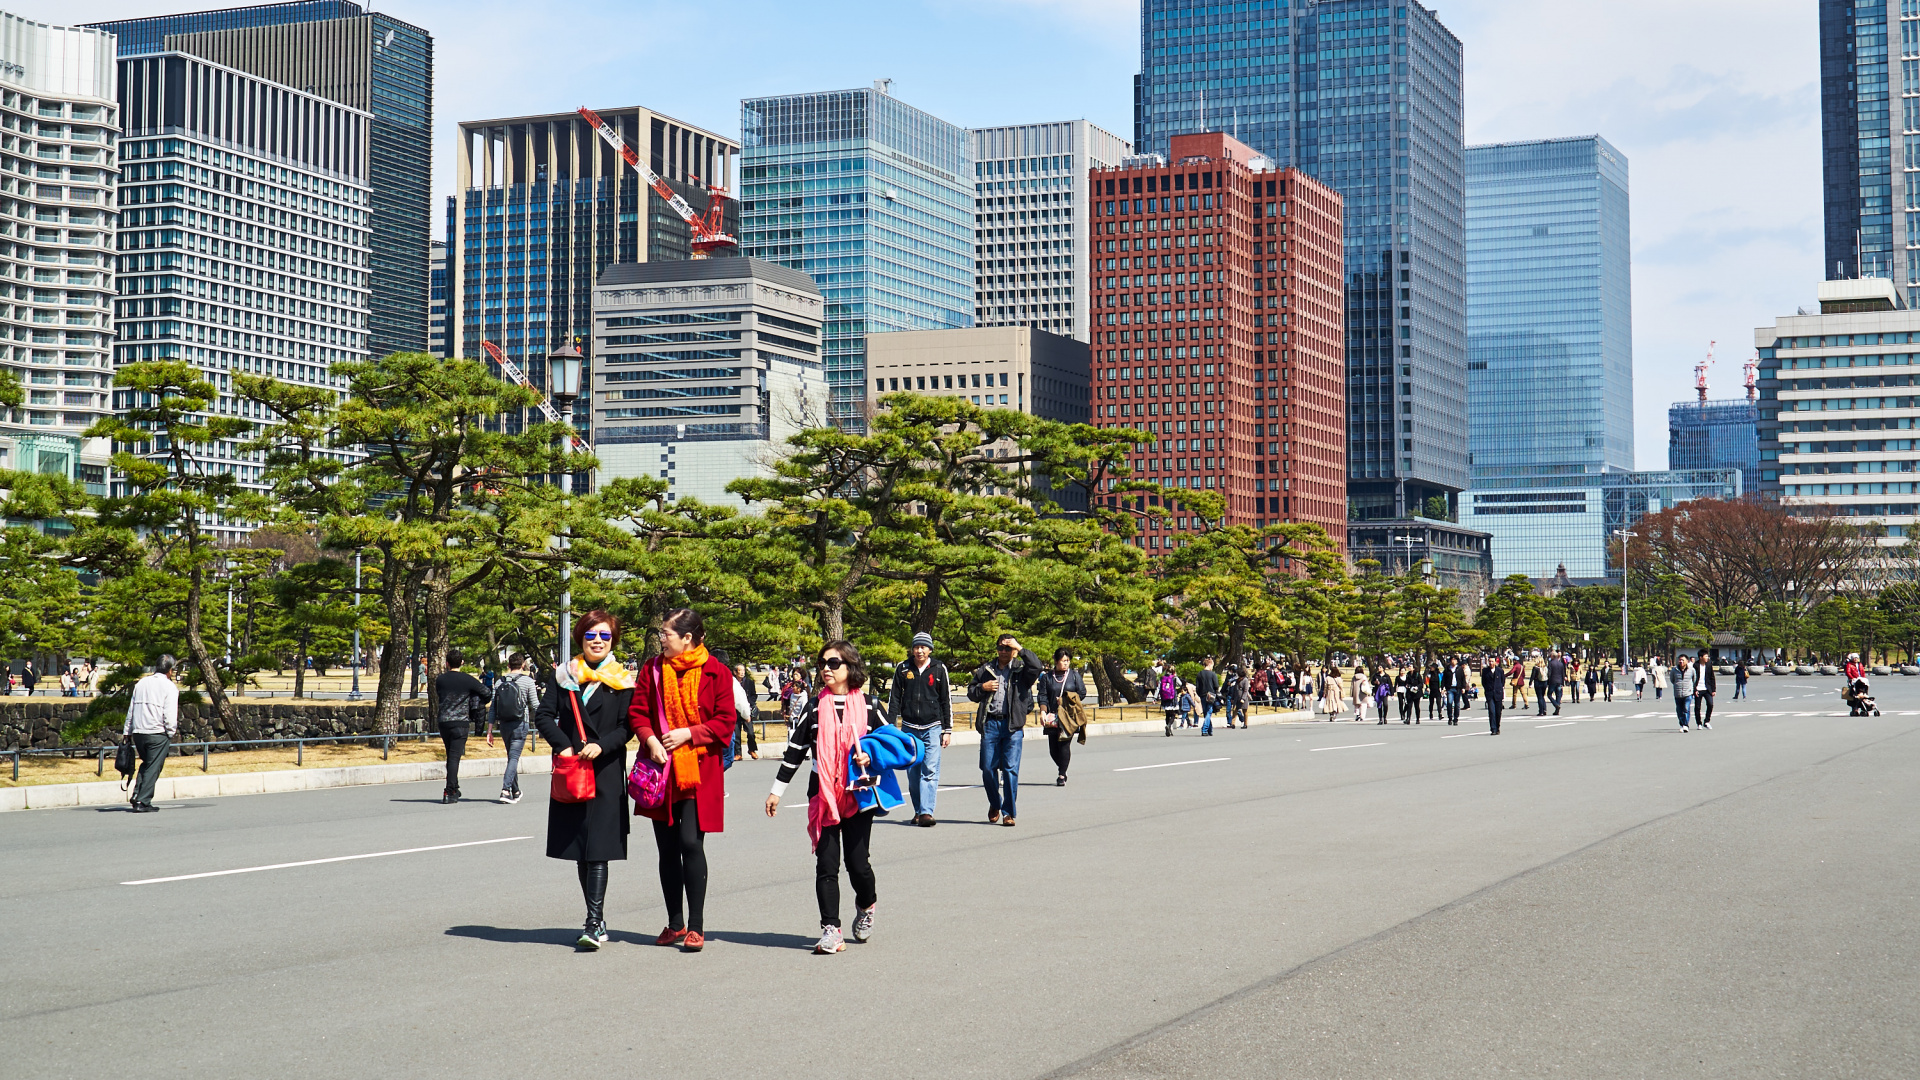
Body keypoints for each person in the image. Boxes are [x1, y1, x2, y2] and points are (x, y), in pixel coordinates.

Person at [766, 640, 890, 955]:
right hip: (822, 794)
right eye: (823, 663)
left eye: (834, 663)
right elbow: (794, 751)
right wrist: (776, 791)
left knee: (858, 864)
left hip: (859, 794)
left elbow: (892, 745)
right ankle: (831, 930)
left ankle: (866, 904)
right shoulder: (813, 706)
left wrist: (870, 755)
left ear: (850, 666)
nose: (826, 669)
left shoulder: (871, 706)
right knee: (827, 864)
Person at [628, 609, 736, 954]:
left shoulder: (716, 672)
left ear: (687, 637)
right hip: (661, 770)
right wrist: (650, 739)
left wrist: (689, 733)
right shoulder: (652, 669)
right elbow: (638, 712)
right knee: (666, 848)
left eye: (667, 634)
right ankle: (675, 923)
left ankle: (697, 925)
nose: (662, 639)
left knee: (690, 842)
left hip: (698, 770)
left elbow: (725, 722)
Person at [534, 611, 635, 950]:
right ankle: (597, 917)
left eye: (605, 636)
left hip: (605, 772)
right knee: (582, 849)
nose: (597, 641)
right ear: (580, 637)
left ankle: (593, 922)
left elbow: (627, 727)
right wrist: (563, 746)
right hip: (573, 769)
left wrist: (601, 745)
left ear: (613, 641)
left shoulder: (622, 680)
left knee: (598, 851)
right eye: (591, 634)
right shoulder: (564, 676)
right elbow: (544, 715)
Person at [968, 634, 1042, 826]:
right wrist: (982, 687)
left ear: (1014, 650)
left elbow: (1037, 667)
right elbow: (971, 692)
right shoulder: (986, 669)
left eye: (1008, 648)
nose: (1003, 651)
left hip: (1012, 726)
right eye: (1001, 647)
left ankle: (1009, 812)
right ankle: (995, 803)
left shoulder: (1020, 670)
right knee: (987, 768)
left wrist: (1021, 648)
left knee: (1010, 770)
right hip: (990, 723)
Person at [887, 631, 951, 826]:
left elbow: (945, 700)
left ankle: (926, 812)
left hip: (932, 726)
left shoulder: (939, 668)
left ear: (930, 649)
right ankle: (918, 810)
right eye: (916, 646)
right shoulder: (903, 668)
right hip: (909, 727)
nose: (919, 650)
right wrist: (891, 728)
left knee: (930, 770)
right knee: (913, 772)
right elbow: (895, 699)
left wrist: (947, 729)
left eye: (923, 647)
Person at [433, 649, 492, 804]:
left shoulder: (440, 680)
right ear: (462, 663)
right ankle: (449, 790)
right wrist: (476, 702)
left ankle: (455, 786)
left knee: (450, 755)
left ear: (447, 663)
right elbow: (487, 692)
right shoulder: (467, 680)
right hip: (460, 722)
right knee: (454, 757)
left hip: (444, 721)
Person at [122, 655, 179, 812]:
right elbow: (169, 715)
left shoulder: (142, 683)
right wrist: (170, 732)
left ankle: (137, 794)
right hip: (157, 732)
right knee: (154, 767)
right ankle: (143, 800)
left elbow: (131, 709)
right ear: (170, 670)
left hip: (139, 731)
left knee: (147, 764)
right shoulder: (169, 687)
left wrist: (127, 731)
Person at [491, 652, 540, 804]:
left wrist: (489, 729)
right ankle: (505, 790)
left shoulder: (500, 682)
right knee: (513, 757)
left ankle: (516, 791)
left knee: (511, 756)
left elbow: (493, 707)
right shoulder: (527, 681)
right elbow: (536, 704)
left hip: (504, 724)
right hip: (521, 723)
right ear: (523, 665)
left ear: (508, 665)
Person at [1038, 648, 1087, 782]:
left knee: (1064, 745)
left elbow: (1082, 693)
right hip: (1053, 716)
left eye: (1068, 661)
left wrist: (1066, 700)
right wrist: (1043, 711)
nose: (1066, 663)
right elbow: (1042, 696)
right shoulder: (1047, 677)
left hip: (1068, 716)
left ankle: (1062, 774)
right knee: (1053, 750)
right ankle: (1062, 766)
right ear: (1056, 660)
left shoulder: (1074, 675)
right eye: (1063, 661)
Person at [731, 660, 761, 762]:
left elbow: (753, 695)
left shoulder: (749, 682)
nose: (742, 672)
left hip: (747, 709)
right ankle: (738, 753)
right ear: (735, 672)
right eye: (740, 670)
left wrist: (750, 703)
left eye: (743, 670)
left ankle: (752, 749)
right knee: (737, 733)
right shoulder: (732, 682)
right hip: (735, 711)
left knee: (751, 732)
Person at [1480, 656, 1505, 736]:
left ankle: (1497, 727)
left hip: (1498, 693)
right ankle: (1493, 728)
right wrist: (1487, 689)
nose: (1491, 663)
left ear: (1496, 662)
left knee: (1498, 712)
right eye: (1489, 661)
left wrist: (1499, 689)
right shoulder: (1485, 671)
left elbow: (1502, 681)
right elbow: (1483, 682)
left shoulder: (1500, 671)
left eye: (1492, 661)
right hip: (1489, 694)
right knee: (1491, 711)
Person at [1196, 656, 1221, 736]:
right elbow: (1216, 686)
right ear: (1210, 664)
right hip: (1211, 695)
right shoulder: (1213, 674)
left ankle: (1210, 730)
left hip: (1203, 695)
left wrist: (1200, 694)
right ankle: (1204, 729)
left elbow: (1197, 687)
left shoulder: (1199, 674)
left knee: (1206, 713)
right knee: (1209, 712)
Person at [1671, 654, 1694, 731]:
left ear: (1687, 661)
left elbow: (1694, 679)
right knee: (1679, 710)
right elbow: (1672, 680)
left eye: (1683, 660)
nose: (1681, 661)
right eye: (1680, 660)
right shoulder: (1674, 670)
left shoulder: (1691, 670)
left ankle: (1686, 725)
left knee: (1686, 708)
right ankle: (1681, 723)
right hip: (1678, 693)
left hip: (1688, 692)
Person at [1158, 664, 1182, 735]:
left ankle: (1168, 729)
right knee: (1173, 714)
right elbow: (1180, 684)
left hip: (1165, 698)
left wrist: (1155, 698)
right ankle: (1169, 726)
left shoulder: (1162, 678)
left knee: (1167, 714)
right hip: (1172, 698)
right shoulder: (1174, 678)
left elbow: (1159, 688)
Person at [1695, 657, 1717, 730]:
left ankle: (1707, 721)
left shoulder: (1708, 665)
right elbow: (1693, 678)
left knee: (1710, 704)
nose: (1707, 658)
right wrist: (1694, 689)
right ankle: (1699, 723)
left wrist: (1713, 690)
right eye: (1705, 656)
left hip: (1707, 688)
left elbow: (1712, 677)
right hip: (1698, 688)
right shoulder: (1695, 665)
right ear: (1701, 657)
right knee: (1698, 707)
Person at [1545, 651, 1566, 716]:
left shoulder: (1551, 663)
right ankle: (1557, 708)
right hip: (1559, 681)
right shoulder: (1560, 664)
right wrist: (1563, 682)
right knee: (1558, 694)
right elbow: (1563, 674)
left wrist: (1548, 682)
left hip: (1552, 681)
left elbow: (1549, 673)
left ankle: (1556, 705)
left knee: (1549, 694)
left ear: (1552, 656)